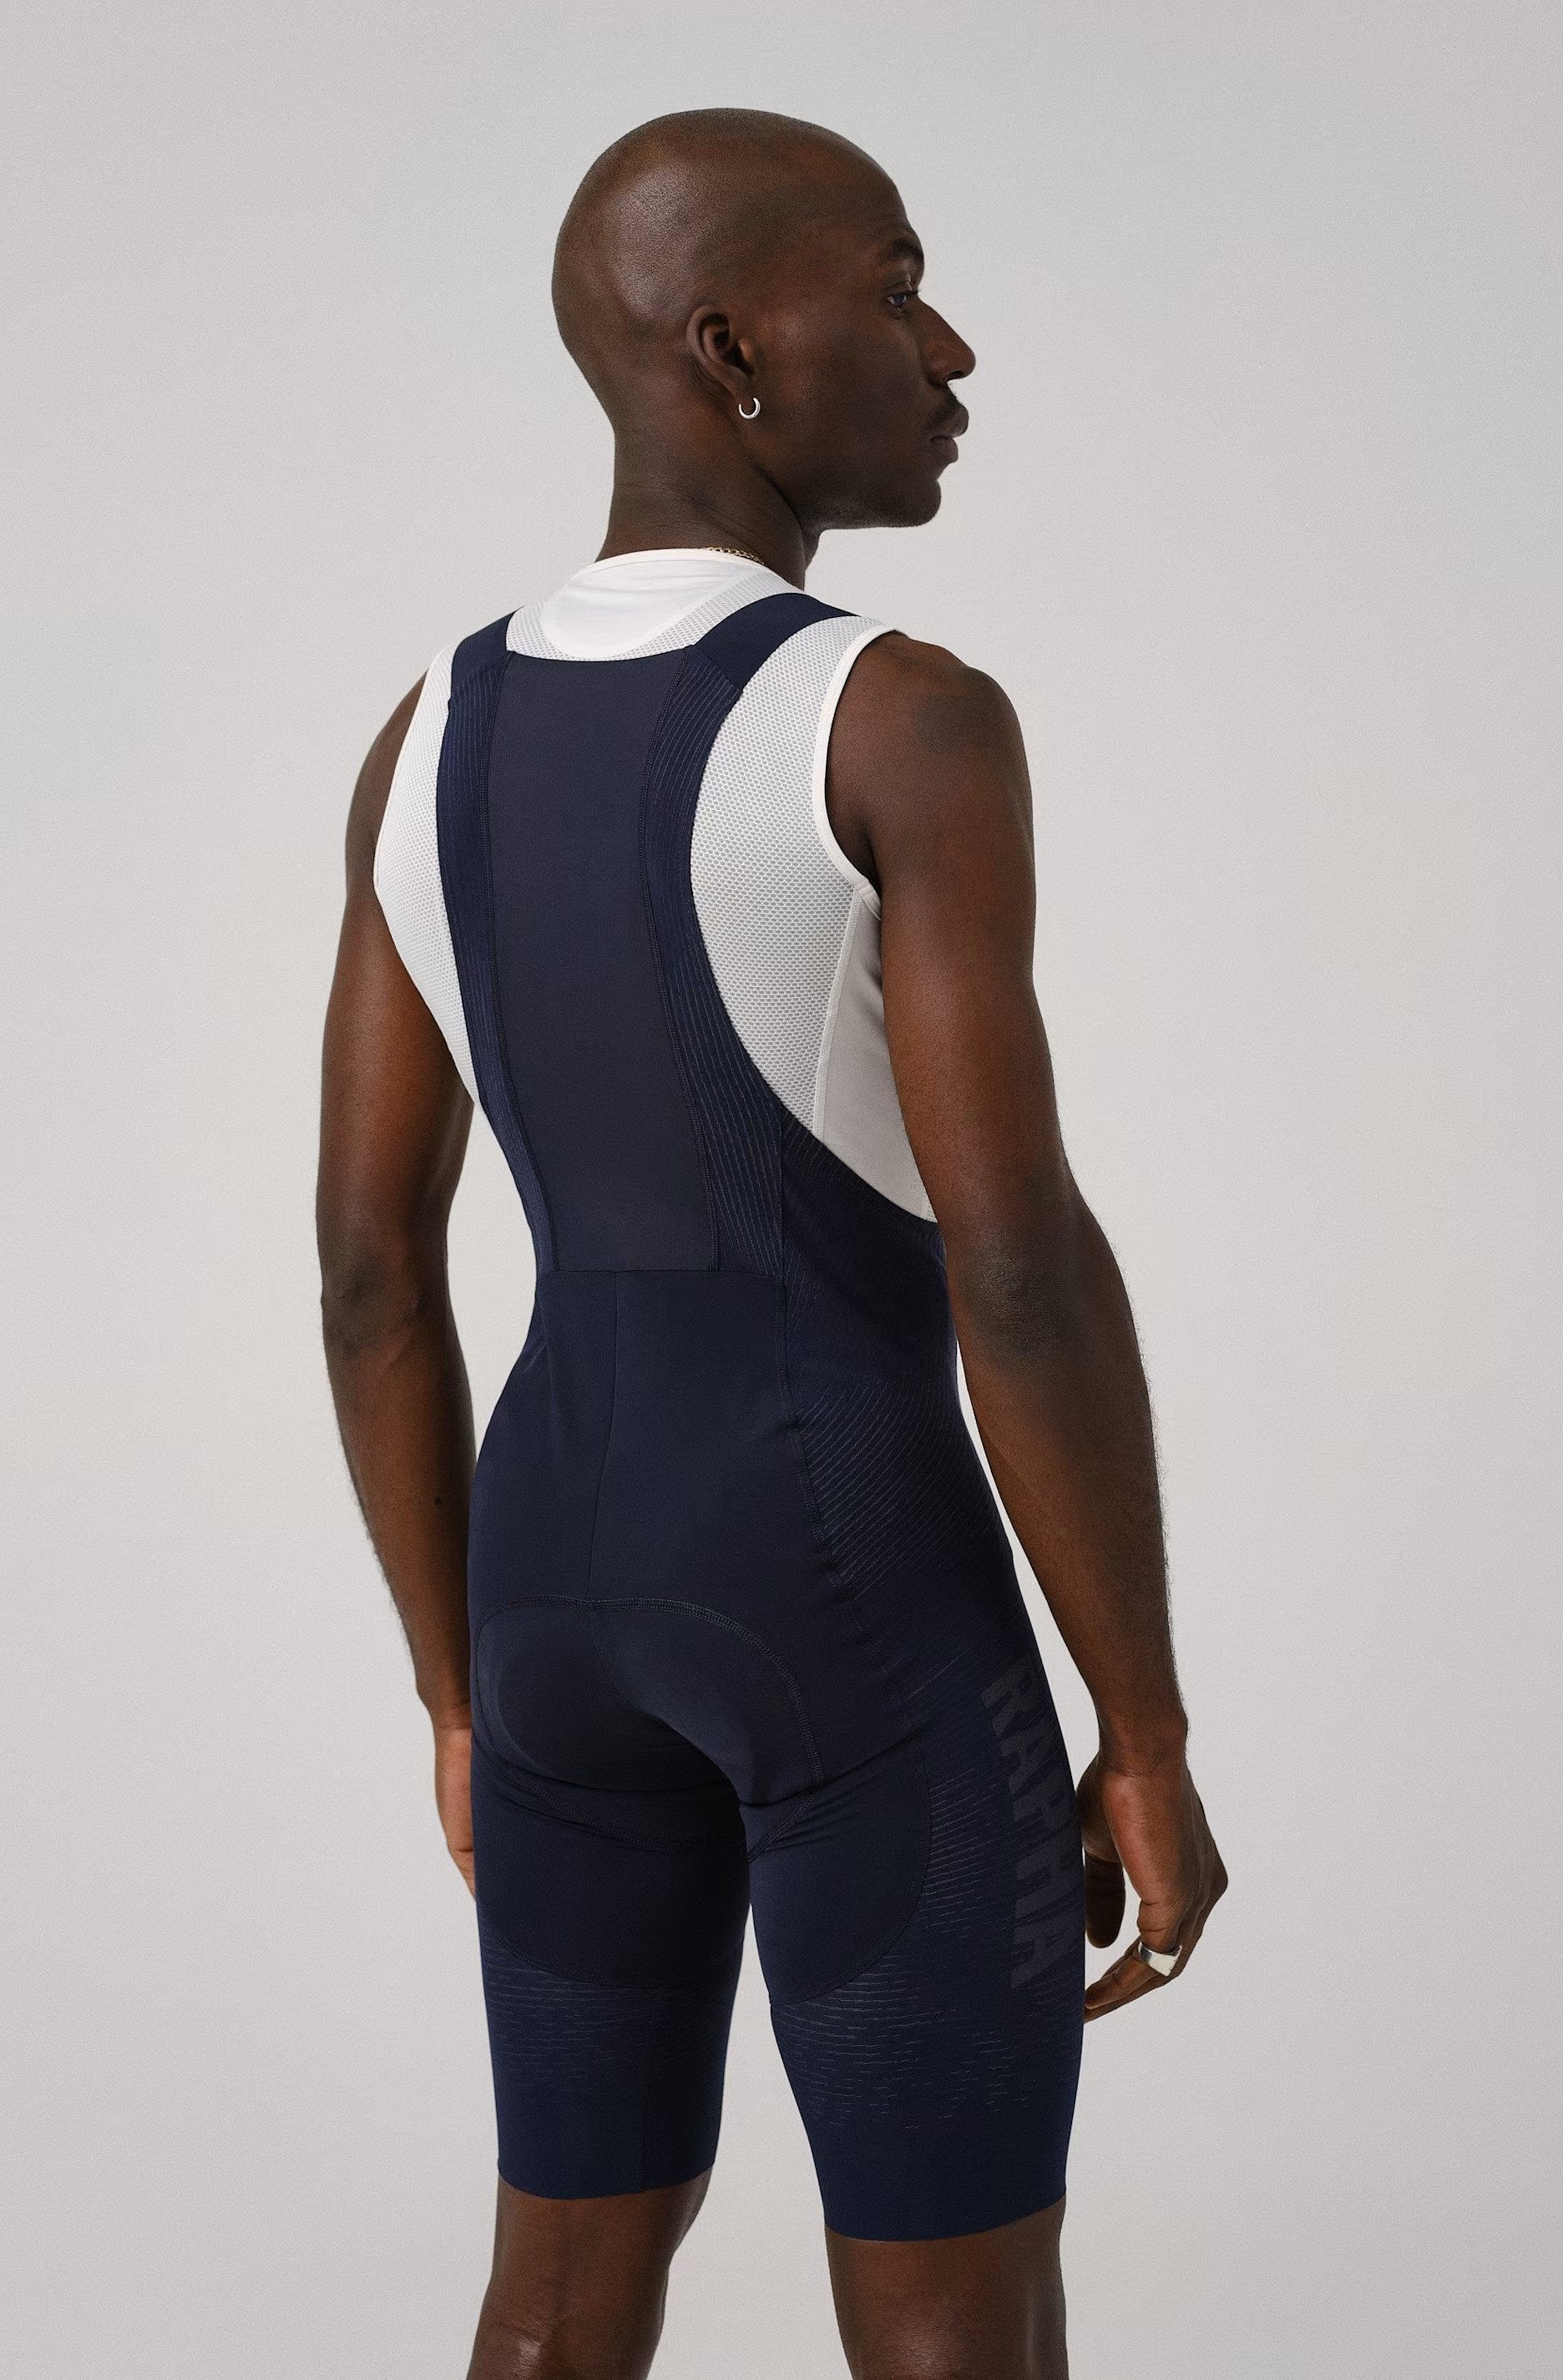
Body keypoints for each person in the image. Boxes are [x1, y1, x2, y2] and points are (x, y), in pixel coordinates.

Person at [317, 104, 1225, 2380]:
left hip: (544, 1591)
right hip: (849, 1591)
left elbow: (366, 1265)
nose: (950, 347)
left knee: (556, 2296)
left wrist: (456, 1693)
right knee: (950, 2326)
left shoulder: (429, 730)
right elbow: (1016, 1262)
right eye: (893, 287)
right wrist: (1140, 1725)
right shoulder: (898, 718)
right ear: (727, 350)